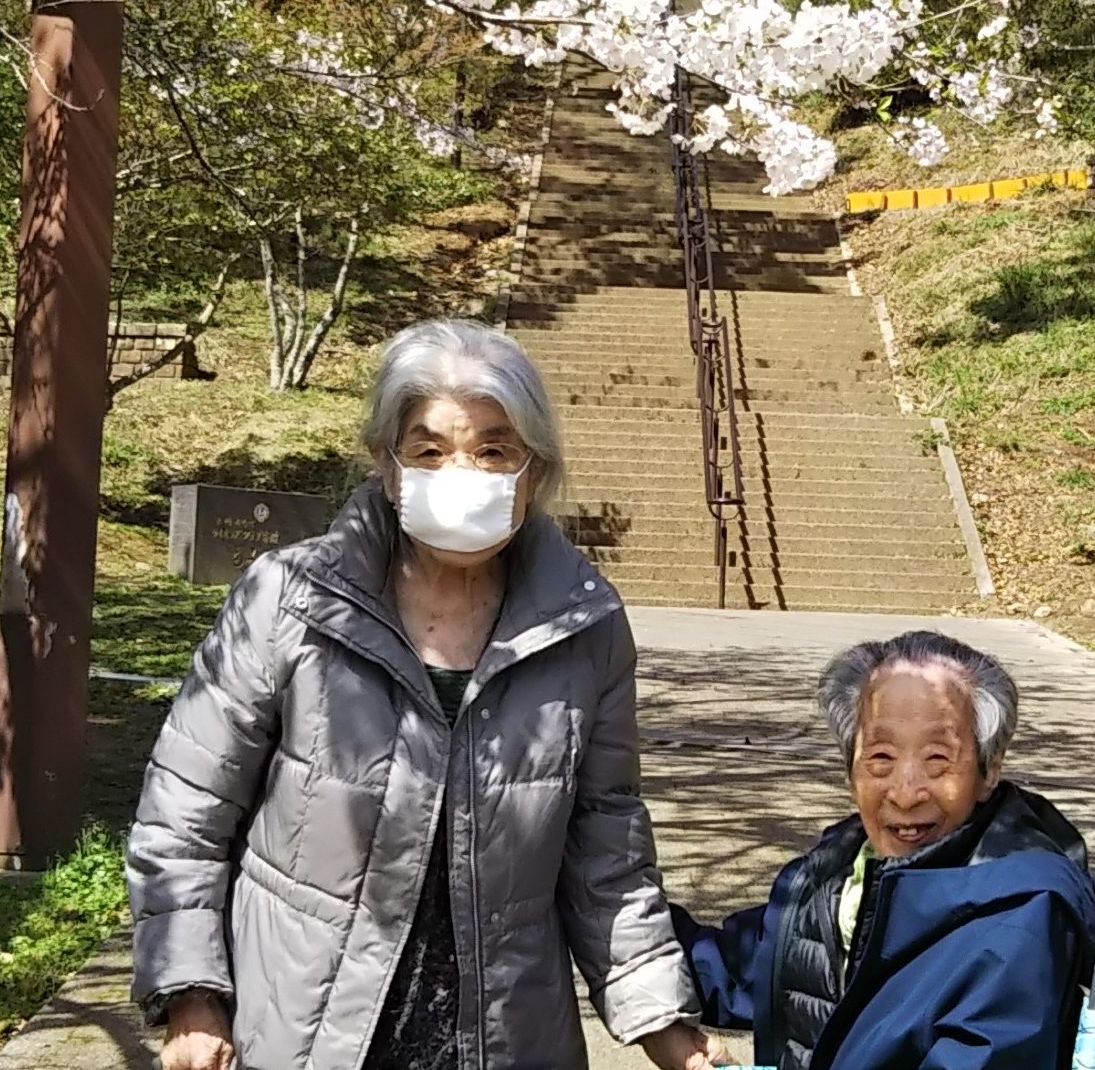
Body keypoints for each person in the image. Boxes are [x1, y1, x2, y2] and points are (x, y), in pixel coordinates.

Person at [126, 318, 716, 1070]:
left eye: (492, 450)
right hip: (304, 1029)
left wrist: (664, 1024)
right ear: (387, 464)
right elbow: (184, 812)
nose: (461, 474)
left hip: (505, 1036)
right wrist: (192, 996)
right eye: (430, 451)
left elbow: (607, 850)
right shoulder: (290, 600)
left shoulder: (586, 627)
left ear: (534, 469)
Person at [672, 631, 1095, 1070]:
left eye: (938, 758)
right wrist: (631, 934)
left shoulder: (1020, 920)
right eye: (881, 756)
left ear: (989, 770)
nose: (906, 793)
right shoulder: (842, 874)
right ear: (850, 768)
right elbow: (735, 969)